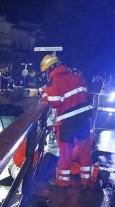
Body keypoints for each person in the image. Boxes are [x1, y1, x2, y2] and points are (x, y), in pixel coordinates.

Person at [40, 54, 93, 189]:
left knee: (66, 152)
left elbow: (55, 102)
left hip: (67, 122)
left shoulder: (54, 82)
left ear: (49, 69)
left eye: (46, 71)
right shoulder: (76, 76)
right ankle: (86, 181)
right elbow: (85, 94)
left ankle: (63, 183)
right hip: (84, 118)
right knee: (84, 149)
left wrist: (45, 92)